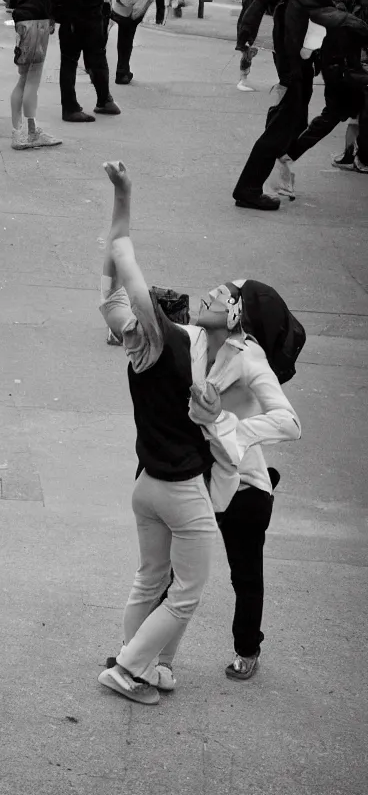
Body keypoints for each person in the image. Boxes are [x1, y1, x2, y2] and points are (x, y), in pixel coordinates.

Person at [97, 160, 242, 705]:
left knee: (149, 577)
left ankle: (145, 661)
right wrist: (126, 202)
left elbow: (116, 267)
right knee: (185, 594)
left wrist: (123, 200)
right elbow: (126, 267)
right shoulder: (189, 348)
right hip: (182, 490)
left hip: (147, 486)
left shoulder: (140, 346)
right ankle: (130, 669)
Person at [193, 279, 302, 680]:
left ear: (238, 312)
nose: (211, 294)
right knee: (166, 569)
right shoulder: (198, 341)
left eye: (224, 294)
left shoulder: (248, 356)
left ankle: (247, 649)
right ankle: (139, 651)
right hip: (198, 479)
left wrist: (233, 431)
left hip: (244, 488)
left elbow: (289, 423)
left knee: (245, 575)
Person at [232, 0, 368, 210]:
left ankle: (268, 178)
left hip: (294, 66)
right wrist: (359, 25)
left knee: (289, 125)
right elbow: (326, 15)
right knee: (280, 130)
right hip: (295, 67)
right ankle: (248, 189)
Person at [280, 0, 368, 190]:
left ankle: (350, 155)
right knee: (331, 119)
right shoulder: (347, 20)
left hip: (337, 73)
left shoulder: (328, 13)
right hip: (345, 75)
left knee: (341, 117)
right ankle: (287, 155)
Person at [8, 0, 61, 150]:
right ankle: (26, 133)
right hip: (36, 23)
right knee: (31, 80)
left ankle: (23, 131)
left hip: (24, 21)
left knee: (24, 78)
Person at [102, 0, 166, 85]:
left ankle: (119, 70)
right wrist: (160, 16)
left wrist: (107, 1)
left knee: (118, 39)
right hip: (133, 13)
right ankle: (122, 71)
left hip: (119, 9)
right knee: (126, 41)